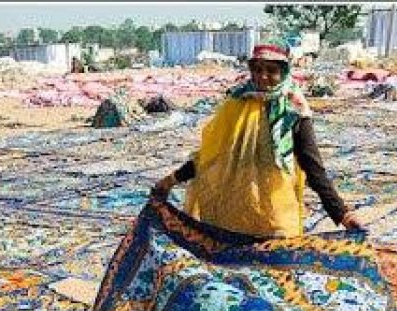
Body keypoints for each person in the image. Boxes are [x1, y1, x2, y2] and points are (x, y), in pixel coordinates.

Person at [151, 42, 364, 237]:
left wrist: (342, 214)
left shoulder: (294, 110)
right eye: (257, 69)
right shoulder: (236, 104)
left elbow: (313, 166)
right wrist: (171, 180)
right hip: (233, 210)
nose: (262, 76)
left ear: (284, 72)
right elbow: (211, 156)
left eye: (271, 70)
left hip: (276, 209)